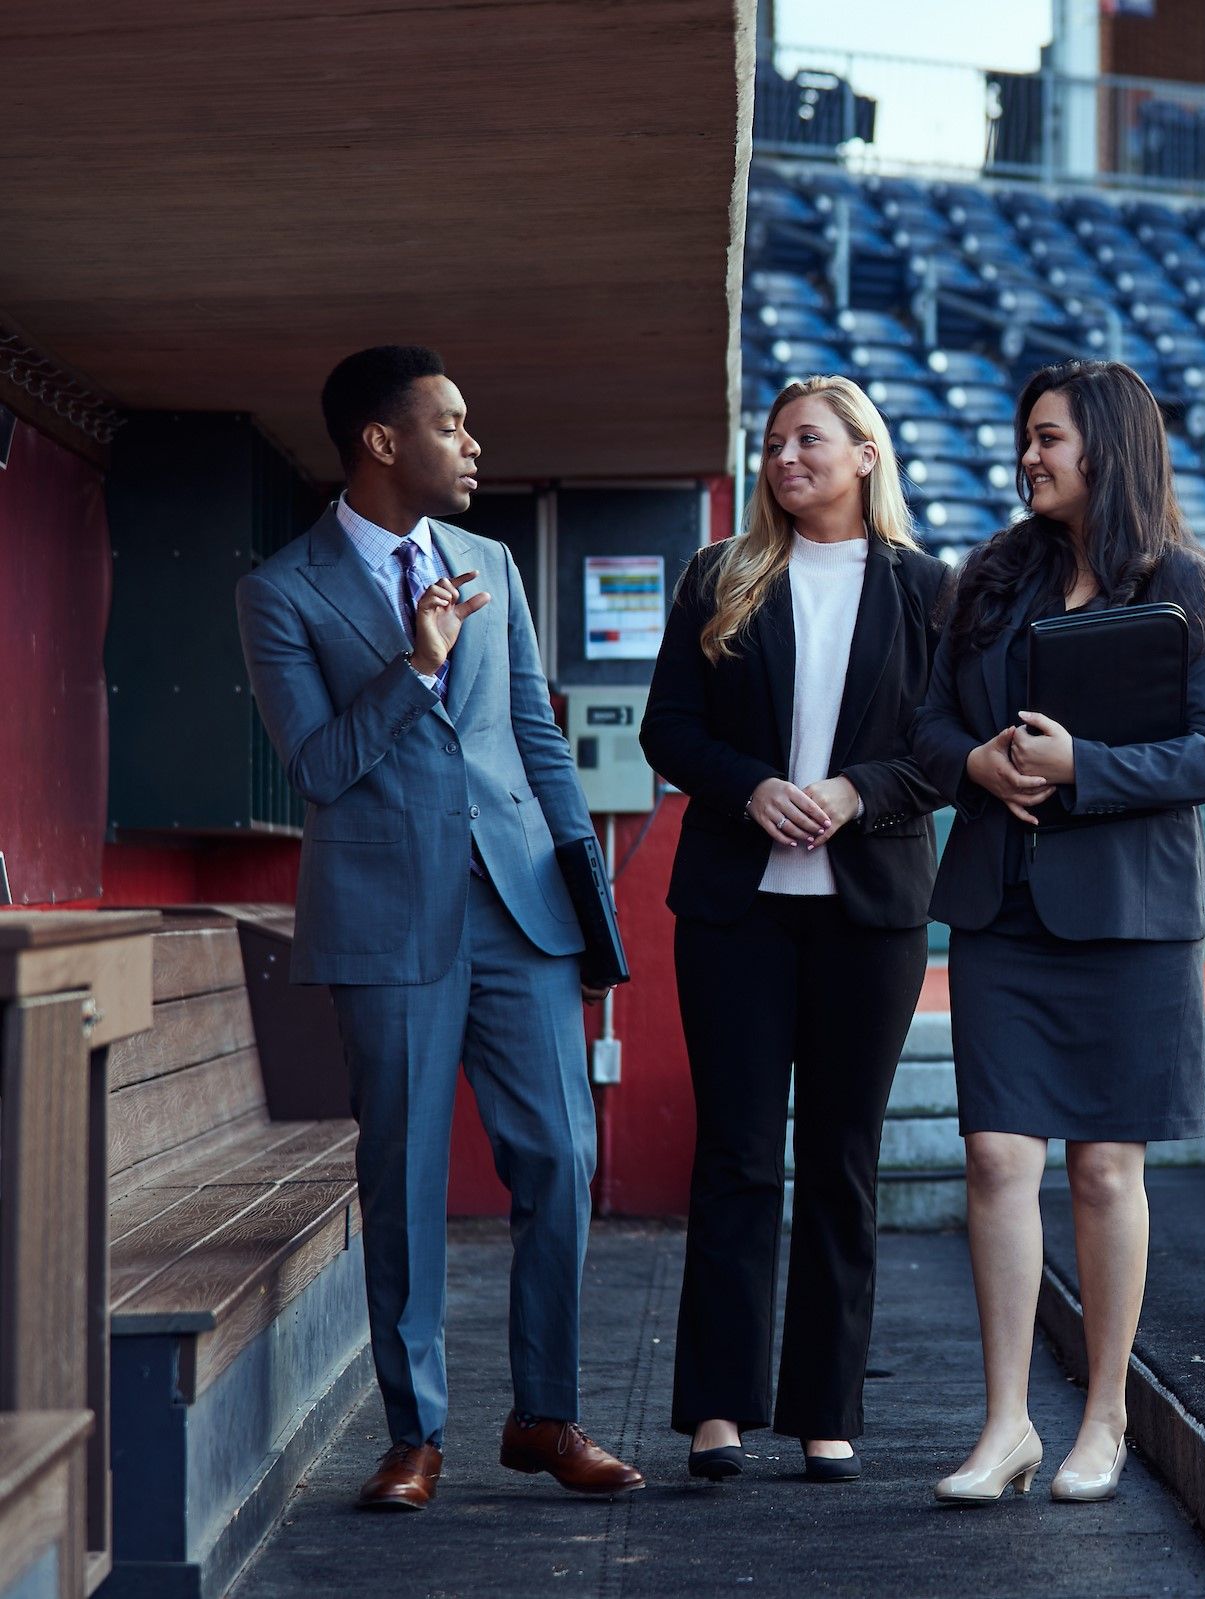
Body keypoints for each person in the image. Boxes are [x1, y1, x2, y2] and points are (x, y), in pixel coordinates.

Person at [234, 345, 643, 1512]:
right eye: (451, 425)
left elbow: (534, 738)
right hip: (386, 923)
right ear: (381, 441)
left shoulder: (492, 562)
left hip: (521, 912)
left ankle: (545, 1417)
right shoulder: (282, 591)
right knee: (405, 1175)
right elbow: (320, 766)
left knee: (561, 1158)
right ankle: (414, 1435)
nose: (473, 445)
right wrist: (416, 664)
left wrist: (588, 905)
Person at [910, 359, 1205, 1505]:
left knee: (1105, 1172)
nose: (1029, 456)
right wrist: (975, 764)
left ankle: (1105, 1418)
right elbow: (928, 723)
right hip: (1003, 904)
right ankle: (1006, 1425)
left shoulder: (1189, 583)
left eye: (1048, 436)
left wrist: (1080, 768)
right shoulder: (989, 576)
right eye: (1027, 437)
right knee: (998, 1157)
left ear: (1107, 446)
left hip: (1131, 917)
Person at [640, 376, 953, 1483]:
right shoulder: (718, 575)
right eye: (773, 443)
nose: (784, 459)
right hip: (736, 909)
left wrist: (859, 791)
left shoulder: (929, 590)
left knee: (841, 1160)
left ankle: (826, 1411)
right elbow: (668, 728)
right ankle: (718, 1408)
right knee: (734, 1154)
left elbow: (946, 748)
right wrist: (753, 788)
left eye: (808, 440)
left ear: (866, 454)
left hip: (871, 914)